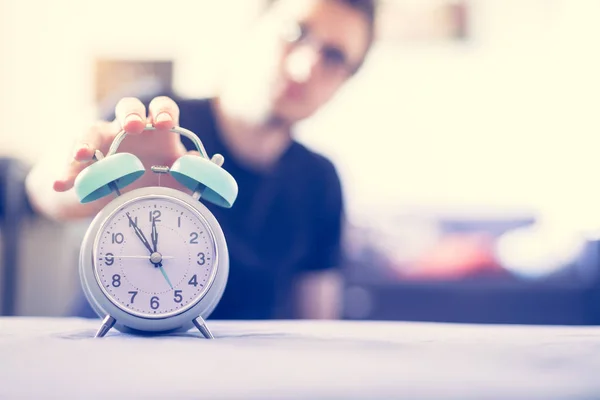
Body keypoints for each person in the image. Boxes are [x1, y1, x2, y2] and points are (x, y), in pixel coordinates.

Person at [25, 0, 378, 320]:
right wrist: (93, 179)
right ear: (255, 26)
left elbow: (317, 324)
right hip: (110, 349)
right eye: (295, 32)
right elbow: (44, 191)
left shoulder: (321, 182)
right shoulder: (155, 121)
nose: (303, 67)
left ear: (344, 83)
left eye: (333, 57)